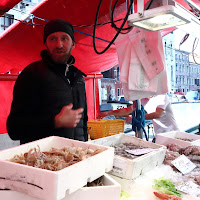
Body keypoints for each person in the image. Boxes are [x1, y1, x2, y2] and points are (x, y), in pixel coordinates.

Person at [7, 19, 88, 144]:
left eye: (64, 38)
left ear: (73, 44)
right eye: (52, 39)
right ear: (45, 43)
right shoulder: (32, 74)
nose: (59, 44)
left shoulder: (79, 78)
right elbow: (14, 129)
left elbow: (82, 123)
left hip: (76, 157)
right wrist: (55, 121)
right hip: (42, 159)